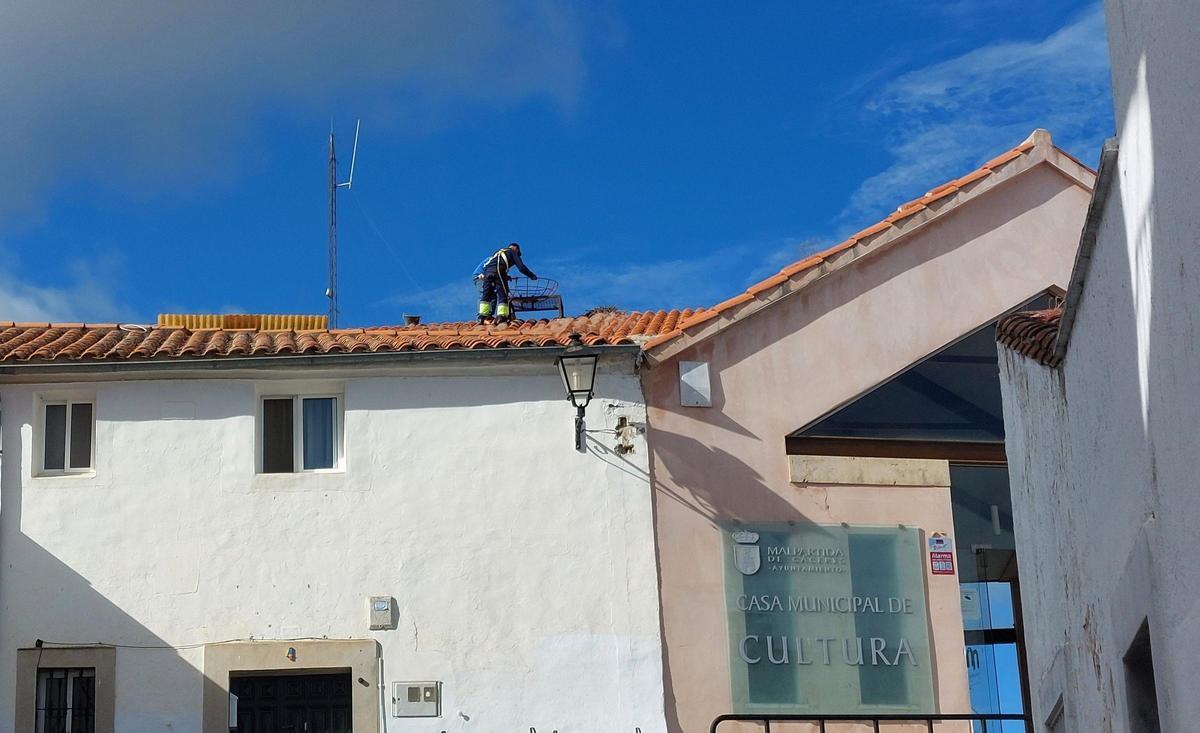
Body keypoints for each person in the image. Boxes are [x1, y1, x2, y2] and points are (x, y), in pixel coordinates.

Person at [474, 242, 538, 324]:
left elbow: (494, 264)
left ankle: (482, 317)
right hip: (498, 271)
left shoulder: (498, 253)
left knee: (487, 294)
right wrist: (532, 276)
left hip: (487, 272)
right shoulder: (512, 252)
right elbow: (521, 268)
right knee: (503, 293)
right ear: (516, 249)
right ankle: (502, 316)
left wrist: (505, 277)